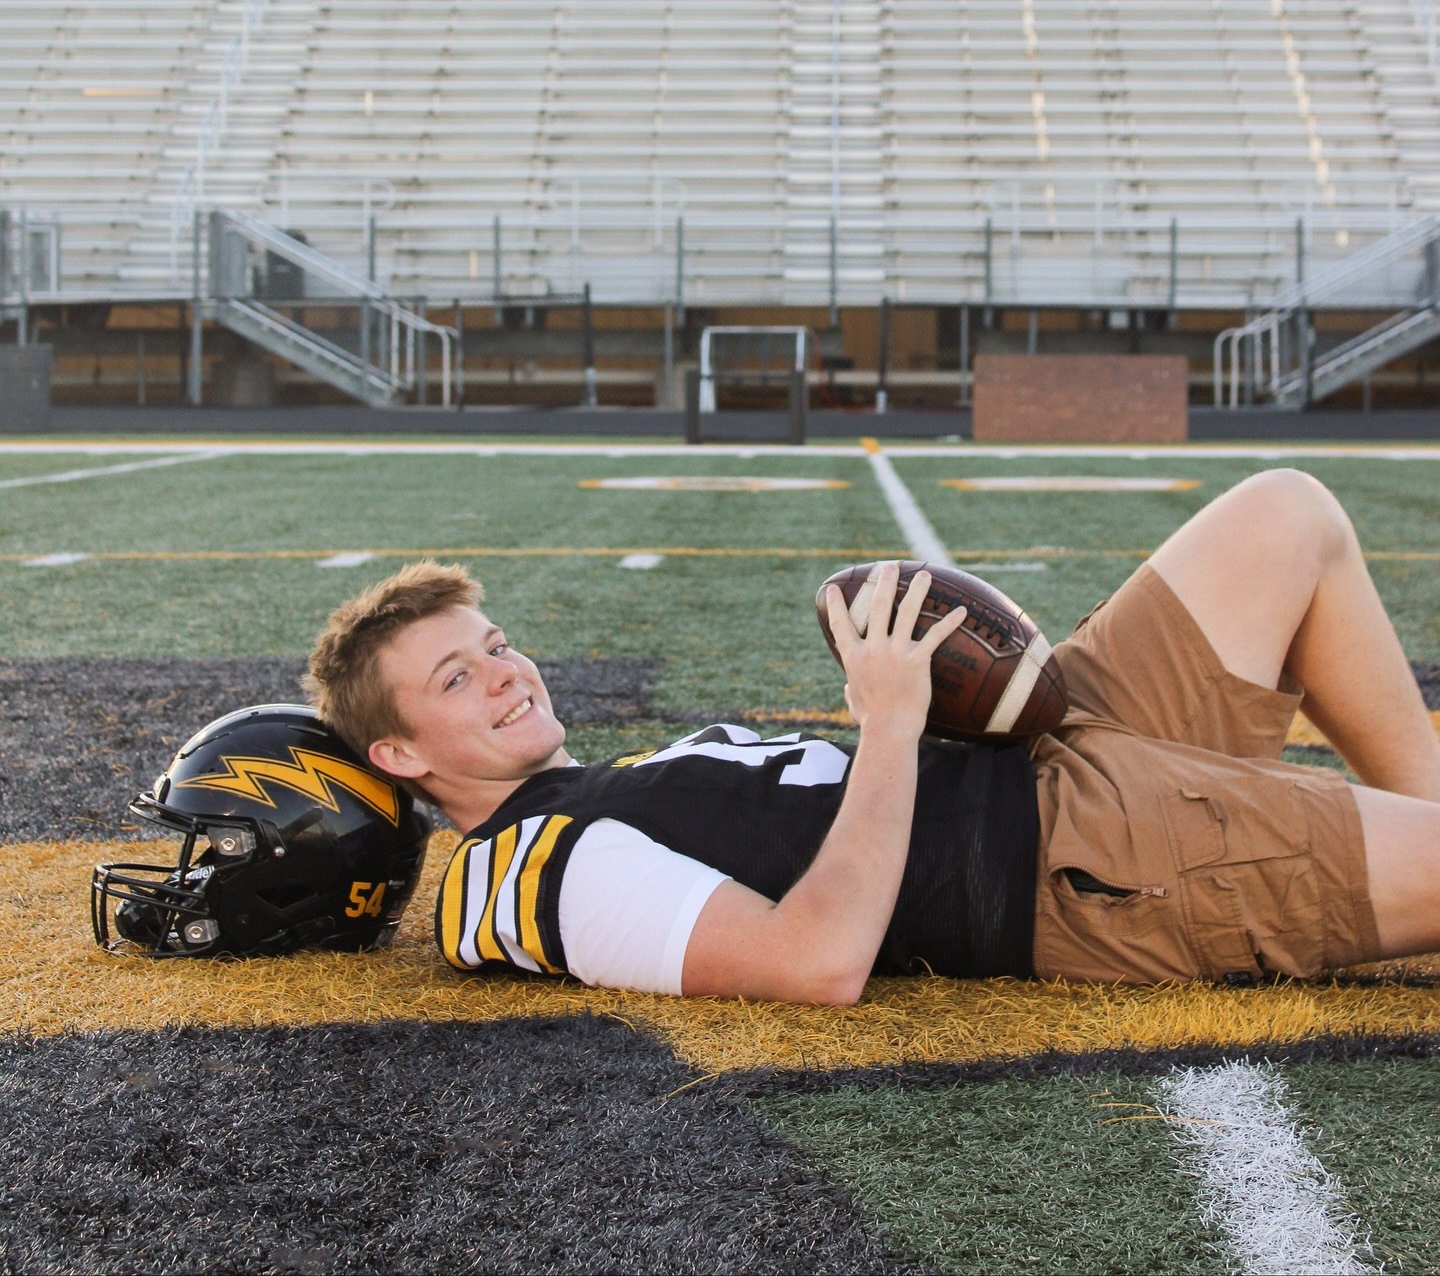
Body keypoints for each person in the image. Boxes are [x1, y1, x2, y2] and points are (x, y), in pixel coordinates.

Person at [303, 469, 1440, 1003]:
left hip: (1047, 754)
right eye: (458, 676)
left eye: (496, 643)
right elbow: (814, 963)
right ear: (399, 755)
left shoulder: (600, 783)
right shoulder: (522, 869)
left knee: (1288, 516)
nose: (507, 671)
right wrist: (891, 721)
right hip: (1079, 861)